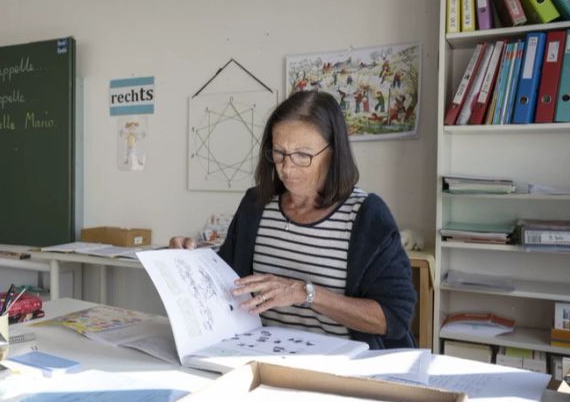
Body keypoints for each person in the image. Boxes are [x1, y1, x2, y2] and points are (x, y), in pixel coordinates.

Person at [170, 90, 416, 349]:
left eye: (303, 155)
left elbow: (395, 317)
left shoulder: (366, 215)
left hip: (339, 368)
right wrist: (191, 261)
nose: (287, 168)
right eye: (279, 153)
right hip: (260, 356)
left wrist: (306, 293)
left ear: (333, 152)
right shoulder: (256, 205)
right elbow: (227, 283)